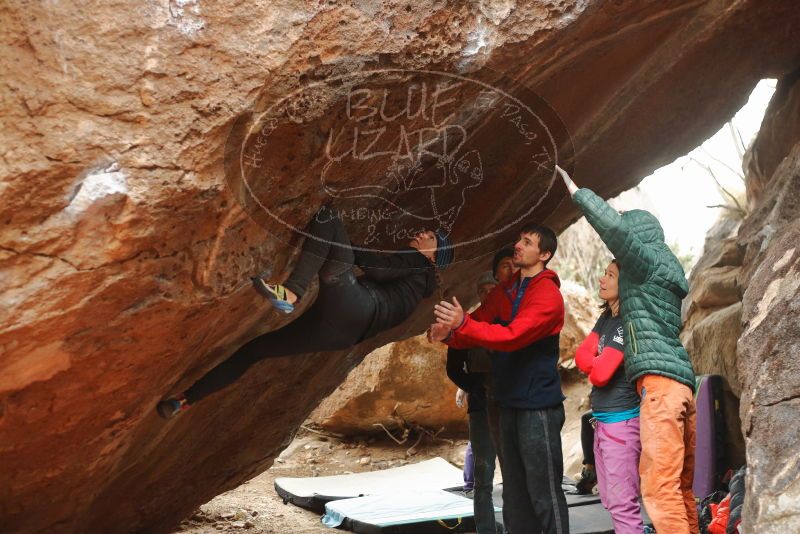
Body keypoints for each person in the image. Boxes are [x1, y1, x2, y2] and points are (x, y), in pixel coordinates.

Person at [157, 208, 453, 418]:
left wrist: (341, 246)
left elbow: (375, 266)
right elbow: (373, 265)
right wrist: (340, 247)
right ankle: (183, 401)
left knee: (328, 217)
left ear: (432, 256)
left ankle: (293, 291)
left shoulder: (416, 263)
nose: (424, 233)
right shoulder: (417, 287)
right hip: (341, 332)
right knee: (255, 350)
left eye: (432, 237)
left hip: (356, 305)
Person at [557, 165, 698, 534]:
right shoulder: (663, 275)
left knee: (659, 489)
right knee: (681, 490)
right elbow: (586, 357)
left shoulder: (647, 264)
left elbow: (616, 230)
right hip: (682, 386)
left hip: (660, 391)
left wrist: (578, 192)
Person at [431, 225, 569, 534]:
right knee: (515, 495)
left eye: (528, 242)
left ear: (544, 255)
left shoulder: (547, 295)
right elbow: (476, 326)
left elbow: (512, 337)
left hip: (537, 408)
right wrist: (449, 334)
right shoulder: (506, 290)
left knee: (543, 493)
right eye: (520, 239)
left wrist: (463, 324)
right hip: (506, 402)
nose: (518, 245)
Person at [575, 259, 643, 534]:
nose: (603, 279)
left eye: (611, 275)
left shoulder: (627, 320)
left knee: (622, 504)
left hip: (621, 424)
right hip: (603, 423)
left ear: (625, 284)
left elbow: (601, 375)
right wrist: (598, 362)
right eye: (604, 273)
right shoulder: (607, 318)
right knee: (610, 501)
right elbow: (581, 356)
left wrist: (597, 363)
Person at [446, 269, 500, 533]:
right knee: (483, 476)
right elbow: (453, 368)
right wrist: (473, 388)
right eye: (484, 290)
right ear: (479, 294)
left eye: (494, 289)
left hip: (514, 404)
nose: (488, 294)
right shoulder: (465, 324)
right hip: (481, 406)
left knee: (517, 476)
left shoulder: (512, 320)